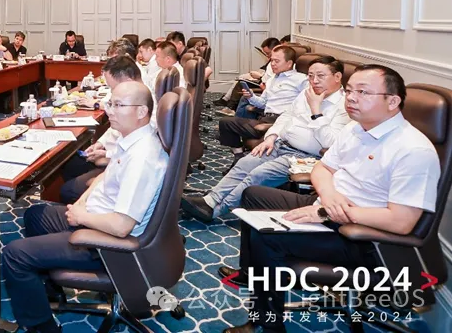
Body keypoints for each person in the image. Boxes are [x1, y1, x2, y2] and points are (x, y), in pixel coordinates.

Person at [219, 65, 441, 333]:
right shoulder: (356, 128)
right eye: (350, 90)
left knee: (266, 237)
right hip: (329, 207)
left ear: (392, 101)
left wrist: (327, 212)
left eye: (363, 92)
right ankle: (252, 273)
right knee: (254, 196)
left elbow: (401, 222)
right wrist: (329, 197)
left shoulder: (413, 150)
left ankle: (267, 324)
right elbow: (322, 168)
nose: (351, 98)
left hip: (364, 237)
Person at [3, 81, 166, 333]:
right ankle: (48, 291)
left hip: (108, 244)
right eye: (110, 103)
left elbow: (121, 226)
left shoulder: (142, 158)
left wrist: (81, 217)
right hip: (97, 215)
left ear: (142, 111)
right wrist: (83, 200)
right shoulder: (133, 139)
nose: (109, 110)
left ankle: (42, 327)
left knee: (15, 255)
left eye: (118, 105)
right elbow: (105, 177)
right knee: (36, 215)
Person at [182, 56, 351, 222]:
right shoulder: (307, 92)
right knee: (244, 164)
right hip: (280, 144)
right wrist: (271, 137)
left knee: (259, 174)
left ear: (337, 77)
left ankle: (216, 210)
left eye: (320, 76)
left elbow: (330, 142)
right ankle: (210, 200)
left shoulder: (344, 106)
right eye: (311, 76)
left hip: (305, 157)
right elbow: (286, 116)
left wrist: (316, 111)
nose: (314, 81)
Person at [64, 57, 154, 203]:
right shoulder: (129, 102)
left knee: (68, 188)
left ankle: (82, 208)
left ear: (128, 82)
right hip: (112, 155)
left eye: (112, 88)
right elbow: (115, 128)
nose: (111, 92)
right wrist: (100, 143)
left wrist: (106, 155)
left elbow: (132, 152)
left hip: (117, 163)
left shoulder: (143, 106)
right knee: (70, 164)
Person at [217, 45, 308, 160]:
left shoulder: (301, 80)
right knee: (225, 123)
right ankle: (238, 156)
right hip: (265, 118)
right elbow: (263, 103)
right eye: (271, 60)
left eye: (276, 61)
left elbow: (307, 103)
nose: (272, 64)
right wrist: (251, 97)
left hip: (282, 121)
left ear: (289, 63)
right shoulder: (272, 79)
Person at [215, 37, 280, 114]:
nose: (267, 56)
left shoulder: (277, 63)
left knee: (241, 84)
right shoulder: (272, 62)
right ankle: (229, 105)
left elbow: (272, 79)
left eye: (268, 53)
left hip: (265, 84)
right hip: (263, 81)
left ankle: (230, 107)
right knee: (242, 81)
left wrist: (260, 77)